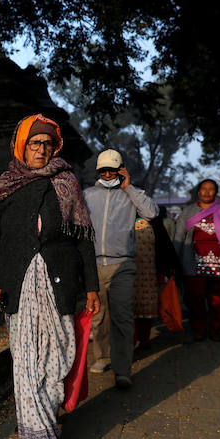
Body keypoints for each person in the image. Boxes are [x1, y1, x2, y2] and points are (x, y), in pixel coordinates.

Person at [0, 114, 100, 439]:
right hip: (17, 283)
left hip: (59, 283)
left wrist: (92, 285)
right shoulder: (6, 184)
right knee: (27, 358)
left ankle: (43, 412)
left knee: (57, 356)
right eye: (35, 143)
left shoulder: (67, 183)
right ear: (22, 146)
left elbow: (82, 240)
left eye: (47, 144)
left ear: (55, 147)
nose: (41, 150)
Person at [83, 149, 158, 389]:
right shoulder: (87, 195)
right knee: (99, 316)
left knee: (122, 315)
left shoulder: (131, 194)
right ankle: (102, 357)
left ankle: (122, 368)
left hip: (123, 264)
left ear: (120, 170)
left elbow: (151, 212)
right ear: (98, 171)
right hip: (94, 264)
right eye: (103, 170)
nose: (107, 174)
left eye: (112, 170)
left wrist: (129, 187)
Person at [173, 179, 220, 341]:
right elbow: (179, 237)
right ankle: (199, 329)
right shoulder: (188, 211)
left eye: (211, 189)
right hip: (193, 261)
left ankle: (216, 330)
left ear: (216, 193)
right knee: (195, 299)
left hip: (219, 261)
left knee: (219, 300)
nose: (207, 192)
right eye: (204, 189)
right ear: (198, 192)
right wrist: (174, 261)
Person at [133, 206, 181, 349]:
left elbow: (164, 245)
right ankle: (130, 342)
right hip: (126, 273)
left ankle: (144, 340)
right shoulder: (122, 219)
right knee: (127, 310)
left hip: (149, 274)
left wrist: (169, 269)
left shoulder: (154, 222)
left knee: (146, 309)